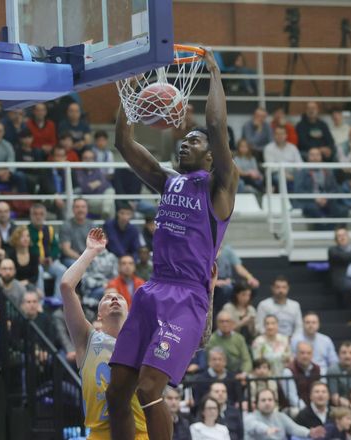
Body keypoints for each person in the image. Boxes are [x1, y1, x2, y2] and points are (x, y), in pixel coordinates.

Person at [106, 49, 238, 440]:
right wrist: (130, 92)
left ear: (213, 157)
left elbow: (216, 124)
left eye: (195, 141)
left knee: (149, 388)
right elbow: (123, 143)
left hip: (186, 298)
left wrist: (213, 72)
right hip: (153, 289)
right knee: (116, 394)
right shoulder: (168, 181)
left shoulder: (220, 188)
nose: (185, 143)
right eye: (184, 140)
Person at [59, 228, 148, 439]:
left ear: (130, 310)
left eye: (120, 298)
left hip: (141, 433)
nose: (114, 299)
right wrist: (90, 251)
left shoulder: (143, 340)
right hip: (101, 433)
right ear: (99, 314)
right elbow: (66, 286)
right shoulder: (87, 339)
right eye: (107, 299)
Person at [243, 388, 325, 440]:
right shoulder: (250, 418)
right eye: (263, 400)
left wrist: (309, 433)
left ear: (275, 403)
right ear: (257, 403)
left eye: (270, 400)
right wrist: (266, 430)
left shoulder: (280, 416)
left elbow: (294, 428)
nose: (267, 403)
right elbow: (255, 425)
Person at [27, 203, 67, 298]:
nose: (38, 217)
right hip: (34, 263)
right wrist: (37, 259)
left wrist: (51, 258)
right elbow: (26, 249)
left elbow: (55, 247)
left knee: (62, 270)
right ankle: (40, 301)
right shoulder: (26, 230)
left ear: (45, 216)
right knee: (39, 270)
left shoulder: (50, 229)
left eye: (41, 214)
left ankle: (58, 300)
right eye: (35, 214)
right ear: (31, 216)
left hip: (49, 262)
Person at [291, 147, 340, 222]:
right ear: (308, 158)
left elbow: (334, 189)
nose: (315, 158)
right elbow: (298, 190)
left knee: (339, 209)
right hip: (309, 202)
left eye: (317, 155)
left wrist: (326, 198)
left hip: (326, 200)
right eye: (312, 155)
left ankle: (337, 231)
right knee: (314, 210)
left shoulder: (328, 171)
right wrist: (315, 198)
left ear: (321, 157)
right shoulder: (301, 172)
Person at [263, 125, 302, 191]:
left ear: (286, 135)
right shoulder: (268, 148)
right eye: (277, 134)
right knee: (281, 179)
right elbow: (272, 167)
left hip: (293, 174)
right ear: (274, 135)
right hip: (276, 174)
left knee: (304, 178)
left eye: (282, 134)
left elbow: (300, 164)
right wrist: (285, 175)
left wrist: (295, 175)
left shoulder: (293, 147)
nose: (280, 136)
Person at [285, 342, 322, 407]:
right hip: (295, 408)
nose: (305, 356)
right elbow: (292, 397)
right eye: (302, 353)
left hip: (314, 407)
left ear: (312, 354)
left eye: (308, 353)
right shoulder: (288, 371)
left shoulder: (317, 369)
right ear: (296, 354)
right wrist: (307, 411)